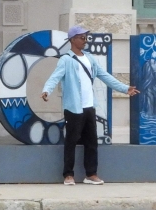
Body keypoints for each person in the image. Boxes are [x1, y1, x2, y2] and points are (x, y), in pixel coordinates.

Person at [41, 25, 139, 186]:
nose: (84, 40)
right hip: (73, 107)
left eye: (86, 37)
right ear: (72, 40)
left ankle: (91, 174)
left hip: (89, 106)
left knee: (91, 141)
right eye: (81, 37)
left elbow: (105, 76)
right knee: (71, 141)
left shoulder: (90, 58)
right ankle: (68, 175)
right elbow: (54, 77)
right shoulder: (66, 60)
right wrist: (47, 90)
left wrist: (124, 88)